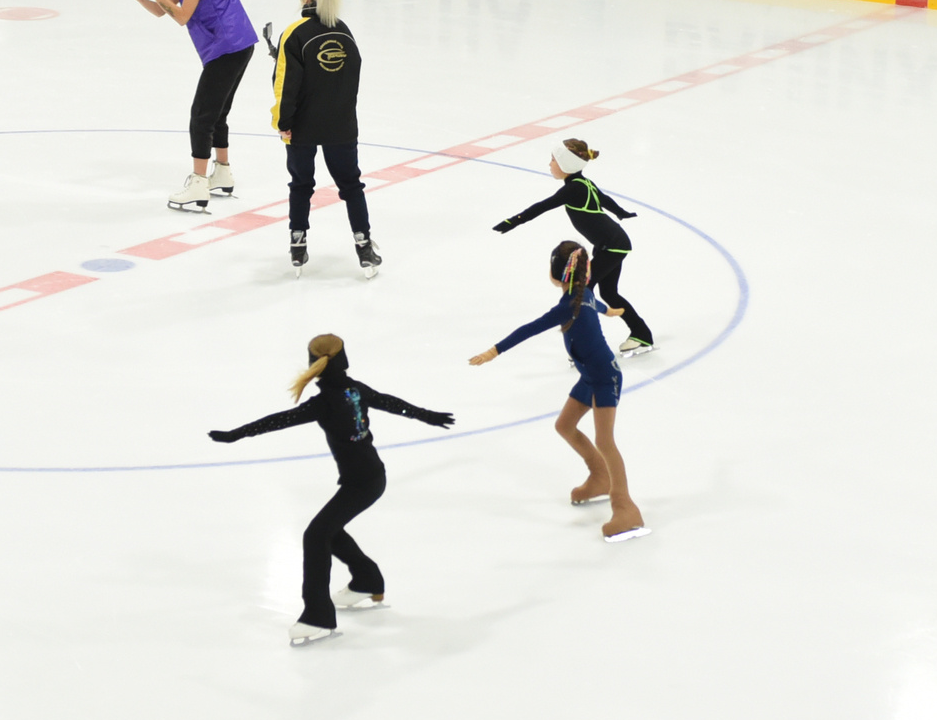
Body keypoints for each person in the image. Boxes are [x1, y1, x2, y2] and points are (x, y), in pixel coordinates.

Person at [208, 334, 454, 647]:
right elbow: (392, 402)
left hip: (363, 482)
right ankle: (367, 580)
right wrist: (427, 415)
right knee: (329, 531)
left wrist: (237, 434)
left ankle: (318, 616)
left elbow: (279, 420)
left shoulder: (325, 402)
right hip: (369, 476)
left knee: (316, 536)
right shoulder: (355, 390)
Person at [471, 240, 647, 542]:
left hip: (605, 377)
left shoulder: (569, 305)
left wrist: (493, 351)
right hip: (590, 376)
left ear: (556, 275)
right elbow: (599, 305)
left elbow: (530, 328)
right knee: (564, 425)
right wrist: (612, 311)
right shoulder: (585, 294)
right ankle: (600, 477)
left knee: (606, 441)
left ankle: (626, 508)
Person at [131, 0, 259, 213]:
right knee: (216, 112)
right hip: (236, 44)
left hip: (228, 46)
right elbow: (165, 11)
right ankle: (222, 173)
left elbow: (182, 16)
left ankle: (199, 183)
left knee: (201, 115)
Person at [494, 139, 655, 355]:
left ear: (566, 164)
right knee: (608, 293)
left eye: (553, 159)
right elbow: (605, 199)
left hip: (613, 245)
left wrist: (513, 221)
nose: (549, 164)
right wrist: (620, 212)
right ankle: (641, 334)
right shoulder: (583, 184)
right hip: (611, 244)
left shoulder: (574, 189)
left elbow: (542, 206)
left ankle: (588, 345)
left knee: (581, 293)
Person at [270, 0, 378, 279]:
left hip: (302, 126)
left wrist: (283, 122)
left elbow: (285, 86)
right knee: (351, 186)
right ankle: (364, 245)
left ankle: (298, 243)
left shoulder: (295, 33)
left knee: (301, 185)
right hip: (341, 125)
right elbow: (351, 77)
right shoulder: (344, 31)